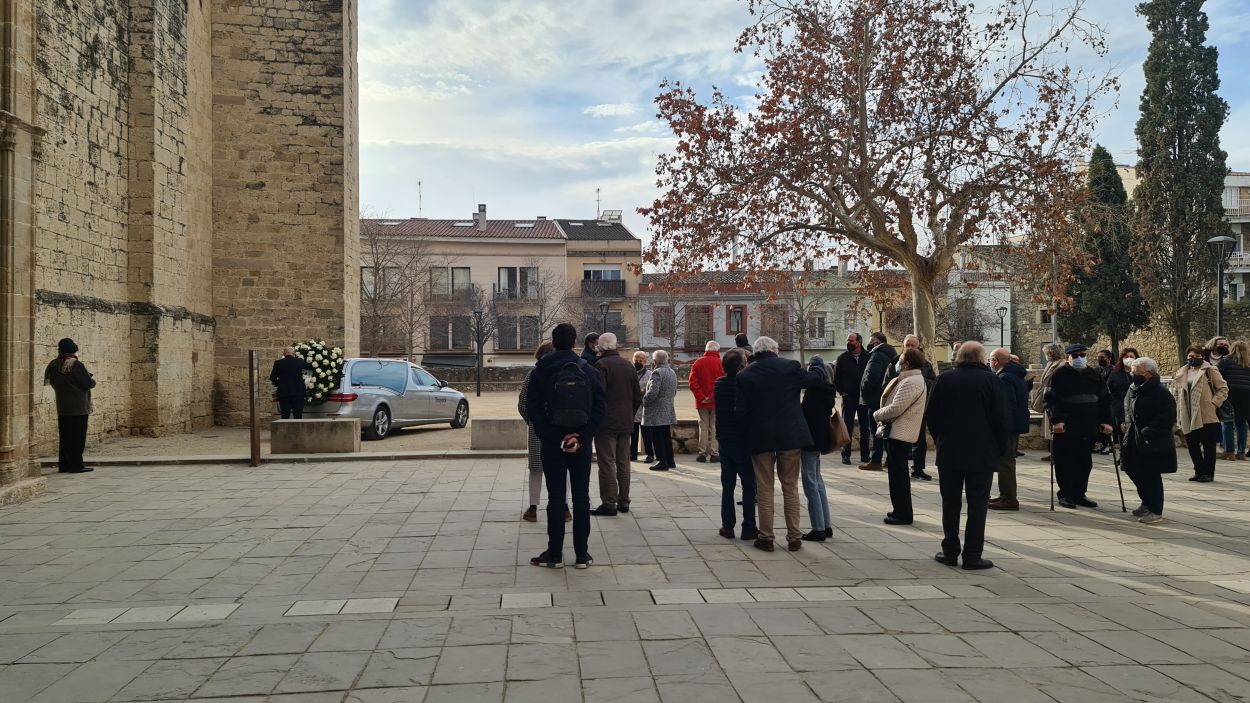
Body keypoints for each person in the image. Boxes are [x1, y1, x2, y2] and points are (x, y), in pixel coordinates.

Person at [525, 323, 606, 569]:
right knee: (581, 497)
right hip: (581, 442)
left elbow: (533, 410)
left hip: (552, 443)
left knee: (556, 497)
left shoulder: (540, 371)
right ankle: (582, 554)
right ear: (574, 342)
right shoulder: (588, 369)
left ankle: (555, 554)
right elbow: (600, 407)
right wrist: (581, 437)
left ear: (553, 341)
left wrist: (555, 437)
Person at [735, 336, 821, 552]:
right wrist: (818, 367)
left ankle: (766, 538)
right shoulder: (789, 367)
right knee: (790, 486)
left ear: (755, 352)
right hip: (790, 435)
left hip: (760, 437)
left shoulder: (745, 375)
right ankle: (794, 537)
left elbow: (740, 412)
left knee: (764, 487)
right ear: (775, 350)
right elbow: (813, 380)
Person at [924, 342, 1006, 570]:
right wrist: (999, 450)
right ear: (981, 359)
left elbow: (931, 415)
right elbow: (1001, 419)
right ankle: (972, 555)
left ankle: (950, 551)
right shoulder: (992, 381)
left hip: (950, 451)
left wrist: (941, 438)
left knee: (950, 503)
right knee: (978, 505)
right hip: (981, 453)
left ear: (959, 357)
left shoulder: (944, 379)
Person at [1045, 343, 1113, 509]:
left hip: (1089, 424)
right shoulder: (1059, 374)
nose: (1079, 358)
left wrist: (1106, 421)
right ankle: (1065, 493)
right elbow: (1051, 400)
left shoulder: (1094, 375)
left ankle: (1079, 493)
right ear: (1067, 357)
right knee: (1065, 461)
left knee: (1084, 462)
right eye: (1075, 356)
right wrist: (1057, 420)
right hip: (1067, 426)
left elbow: (1105, 399)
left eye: (1082, 355)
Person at [874, 347, 929, 525]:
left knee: (899, 476)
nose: (898, 363)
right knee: (897, 475)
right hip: (898, 432)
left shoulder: (911, 381)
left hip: (900, 433)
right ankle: (899, 509)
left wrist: (877, 414)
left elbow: (897, 408)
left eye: (901, 360)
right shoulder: (910, 379)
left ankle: (903, 514)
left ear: (907, 364)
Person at [591, 333, 643, 516]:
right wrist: (629, 413)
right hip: (625, 420)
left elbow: (598, 396)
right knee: (623, 463)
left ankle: (609, 503)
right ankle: (624, 501)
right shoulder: (628, 365)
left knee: (607, 463)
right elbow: (637, 396)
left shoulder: (601, 365)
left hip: (606, 423)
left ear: (601, 347)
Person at [518, 341, 570, 524]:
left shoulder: (533, 374)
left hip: (538, 429)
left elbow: (523, 404)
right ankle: (564, 508)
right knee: (563, 469)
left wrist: (533, 422)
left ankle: (532, 508)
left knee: (536, 468)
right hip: (562, 428)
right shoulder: (567, 372)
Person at [1121, 357, 1177, 524]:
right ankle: (1146, 501)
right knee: (1132, 469)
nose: (1134, 375)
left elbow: (1167, 417)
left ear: (1149, 374)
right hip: (1133, 436)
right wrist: (1125, 422)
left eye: (1138, 372)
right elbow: (1127, 407)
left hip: (1151, 440)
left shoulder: (1161, 393)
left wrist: (1148, 431)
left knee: (1151, 474)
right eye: (1132, 372)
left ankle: (1155, 509)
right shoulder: (1134, 388)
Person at [714, 348, 757, 541]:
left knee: (728, 485)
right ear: (741, 366)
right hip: (743, 440)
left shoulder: (719, 384)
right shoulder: (745, 384)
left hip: (725, 439)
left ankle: (727, 526)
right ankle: (749, 527)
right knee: (748, 486)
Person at [884, 334, 937, 480]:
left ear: (919, 346)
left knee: (920, 439)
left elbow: (933, 383)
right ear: (903, 346)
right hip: (898, 406)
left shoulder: (925, 364)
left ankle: (918, 468)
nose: (910, 347)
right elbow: (886, 384)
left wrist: (918, 381)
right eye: (907, 345)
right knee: (895, 438)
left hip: (918, 408)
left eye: (913, 345)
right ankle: (893, 462)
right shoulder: (895, 362)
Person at [1174, 344, 1228, 483]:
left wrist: (1214, 403)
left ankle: (1208, 473)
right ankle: (1199, 471)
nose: (1194, 358)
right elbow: (1178, 391)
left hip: (1206, 414)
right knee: (1192, 444)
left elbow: (1223, 388)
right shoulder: (1182, 371)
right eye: (1191, 356)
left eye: (1197, 356)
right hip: (1187, 413)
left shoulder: (1210, 370)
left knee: (1208, 445)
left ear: (1202, 357)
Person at [44, 338, 96, 474]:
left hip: (63, 407)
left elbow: (53, 382)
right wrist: (92, 380)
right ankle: (76, 465)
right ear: (73, 351)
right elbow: (88, 383)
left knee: (65, 438)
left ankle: (64, 465)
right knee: (77, 438)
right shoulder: (76, 364)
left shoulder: (53, 364)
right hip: (78, 408)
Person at [799, 355, 837, 541]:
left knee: (810, 484)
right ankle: (826, 525)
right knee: (818, 482)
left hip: (810, 441)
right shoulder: (827, 390)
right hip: (820, 439)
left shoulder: (814, 392)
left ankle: (818, 528)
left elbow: (805, 414)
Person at [988, 347, 1029, 511]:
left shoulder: (1004, 378)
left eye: (990, 360)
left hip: (1007, 427)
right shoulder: (1014, 375)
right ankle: (1006, 495)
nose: (990, 363)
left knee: (1005, 462)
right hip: (1014, 425)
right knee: (1007, 461)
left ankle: (1009, 498)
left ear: (995, 361)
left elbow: (1006, 407)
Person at [858, 332, 897, 472]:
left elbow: (871, 375)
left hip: (874, 398)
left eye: (871, 341)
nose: (868, 344)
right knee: (885, 430)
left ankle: (875, 460)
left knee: (876, 430)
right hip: (886, 397)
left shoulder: (877, 355)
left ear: (876, 342)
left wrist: (863, 389)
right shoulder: (892, 355)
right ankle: (889, 459)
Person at [834, 332, 870, 466]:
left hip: (864, 398)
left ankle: (865, 456)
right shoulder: (842, 358)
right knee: (847, 426)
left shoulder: (868, 357)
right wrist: (841, 391)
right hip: (848, 398)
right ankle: (846, 455)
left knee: (865, 427)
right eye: (848, 340)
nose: (848, 343)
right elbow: (836, 377)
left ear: (859, 342)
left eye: (851, 340)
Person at [642, 349, 678, 471]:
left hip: (656, 409)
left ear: (655, 361)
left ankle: (662, 461)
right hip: (668, 408)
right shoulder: (672, 372)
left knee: (657, 437)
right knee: (666, 436)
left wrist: (644, 400)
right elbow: (674, 391)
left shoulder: (657, 372)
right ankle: (670, 460)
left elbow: (653, 393)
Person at [689, 341, 724, 463]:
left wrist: (701, 396)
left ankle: (702, 453)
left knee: (703, 426)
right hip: (716, 401)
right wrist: (712, 397)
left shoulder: (698, 362)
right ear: (717, 350)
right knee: (714, 426)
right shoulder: (721, 363)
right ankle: (714, 453)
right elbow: (723, 383)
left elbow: (692, 382)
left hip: (701, 401)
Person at [1031, 343, 1066, 461]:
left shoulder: (1061, 365)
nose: (1045, 355)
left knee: (1054, 428)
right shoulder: (1051, 364)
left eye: (1046, 353)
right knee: (1050, 429)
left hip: (1055, 400)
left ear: (1051, 353)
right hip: (1048, 399)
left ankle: (1057, 454)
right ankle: (1053, 453)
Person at [1218, 340, 1250, 461]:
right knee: (1242, 423)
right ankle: (1241, 452)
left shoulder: (1225, 361)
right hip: (1246, 395)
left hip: (1230, 394)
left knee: (1227, 422)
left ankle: (1229, 451)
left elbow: (1218, 377)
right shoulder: (1248, 363)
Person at [1206, 335, 1235, 457]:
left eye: (1226, 345)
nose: (1224, 347)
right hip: (1206, 390)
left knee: (1220, 418)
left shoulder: (1227, 359)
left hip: (1221, 391)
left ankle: (1219, 444)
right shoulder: (1205, 356)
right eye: (1220, 344)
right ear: (1213, 345)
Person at [1107, 348, 1139, 449]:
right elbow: (1109, 390)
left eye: (1131, 357)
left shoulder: (1140, 373)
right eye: (1126, 357)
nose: (1129, 359)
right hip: (1120, 409)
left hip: (1137, 409)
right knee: (1124, 440)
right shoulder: (1115, 374)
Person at [270, 346, 313, 419]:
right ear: (294, 354)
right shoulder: (299, 361)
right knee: (298, 416)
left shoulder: (278, 363)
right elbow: (309, 366)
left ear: (284, 353)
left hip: (284, 393)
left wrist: (280, 384)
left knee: (285, 416)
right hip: (298, 393)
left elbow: (272, 377)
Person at [631, 350, 654, 462]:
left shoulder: (650, 374)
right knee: (633, 433)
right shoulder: (630, 372)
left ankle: (650, 454)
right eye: (636, 360)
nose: (638, 362)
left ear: (645, 362)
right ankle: (632, 454)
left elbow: (652, 389)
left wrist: (644, 391)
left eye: (641, 360)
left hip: (645, 407)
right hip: (633, 407)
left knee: (647, 433)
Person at [1093, 349, 1115, 455]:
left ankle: (1107, 445)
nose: (1099, 359)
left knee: (1106, 422)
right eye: (1098, 357)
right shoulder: (1096, 370)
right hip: (1097, 400)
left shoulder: (1113, 370)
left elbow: (1109, 384)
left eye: (1102, 357)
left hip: (1108, 400)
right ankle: (1099, 443)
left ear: (1109, 358)